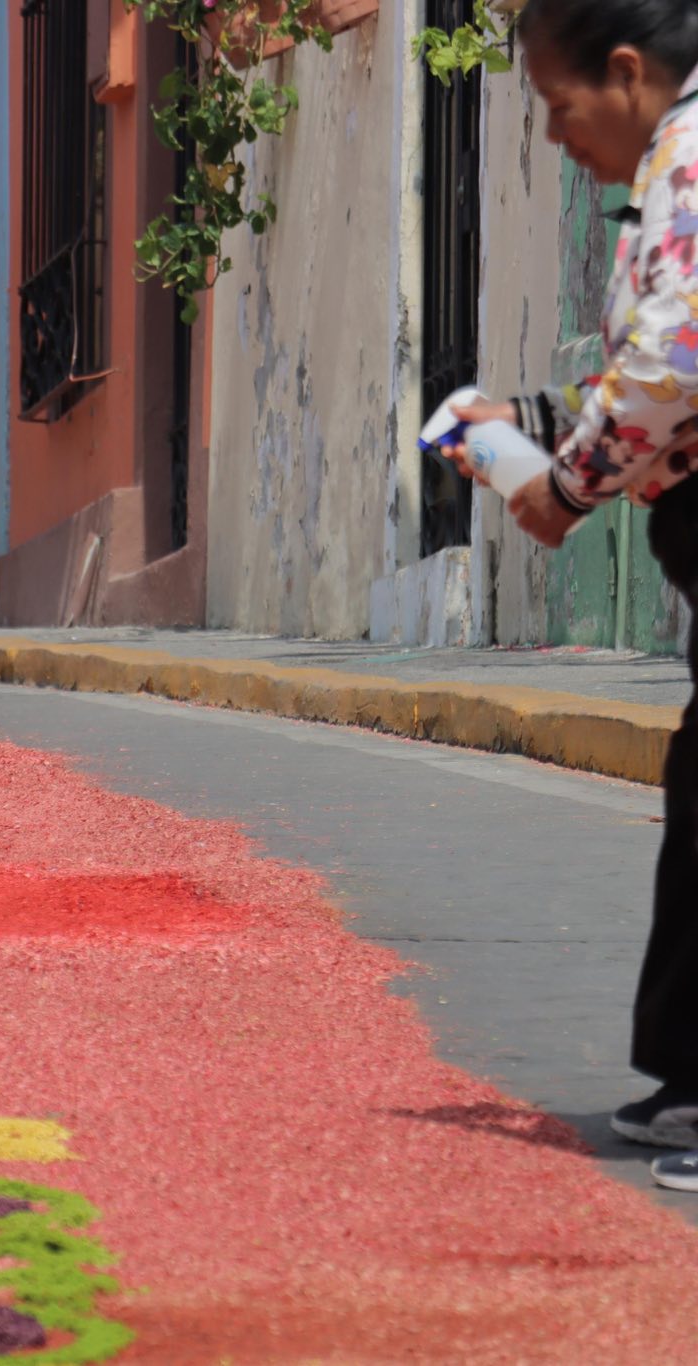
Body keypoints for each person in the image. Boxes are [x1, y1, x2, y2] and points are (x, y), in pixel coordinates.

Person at [443, 0, 698, 1196]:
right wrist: (540, 426)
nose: (553, 138)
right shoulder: (669, 165)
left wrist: (565, 487)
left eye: (557, 107)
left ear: (627, 70)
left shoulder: (688, 154)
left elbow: (677, 358)